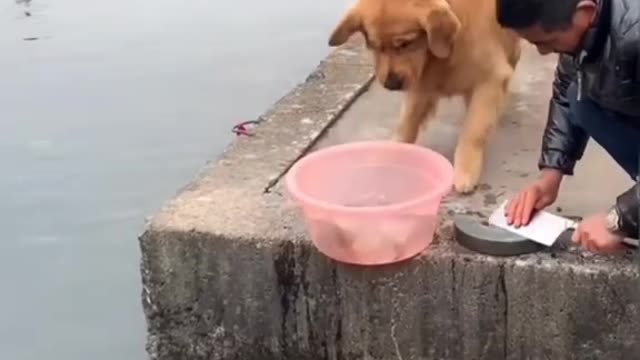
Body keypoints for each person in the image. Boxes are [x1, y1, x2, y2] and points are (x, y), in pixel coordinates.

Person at [495, 0, 639, 252]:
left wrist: (619, 220)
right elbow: (567, 86)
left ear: (585, 12)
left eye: (546, 41)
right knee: (578, 98)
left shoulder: (635, 36)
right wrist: (550, 177)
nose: (542, 53)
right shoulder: (587, 26)